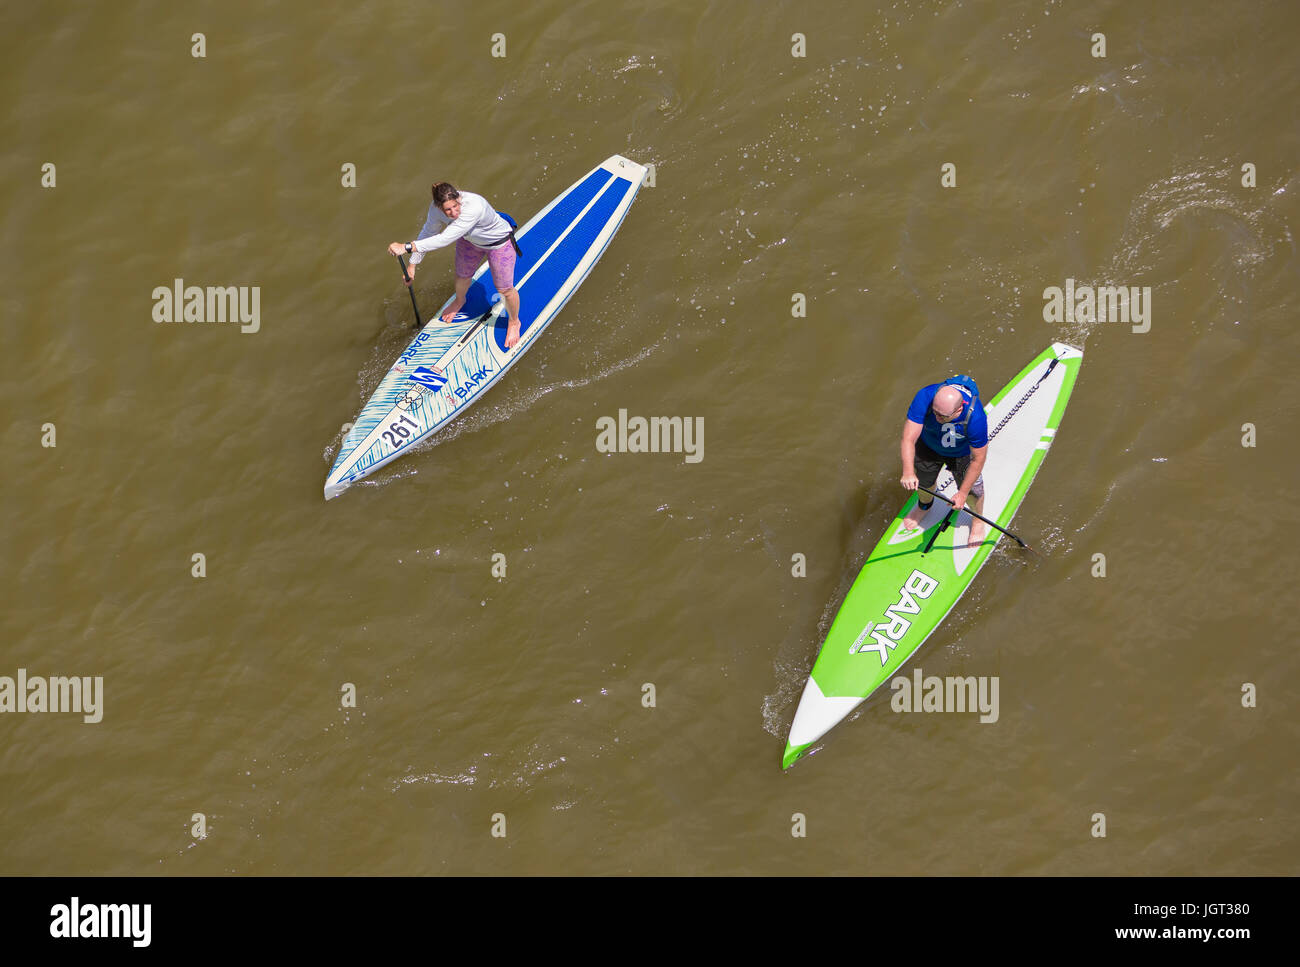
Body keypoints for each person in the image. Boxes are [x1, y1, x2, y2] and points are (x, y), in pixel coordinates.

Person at [388, 182, 524, 348]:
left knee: (504, 290)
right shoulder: (435, 210)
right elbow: (428, 234)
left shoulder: (474, 206)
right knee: (462, 276)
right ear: (439, 207)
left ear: (459, 198)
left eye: (455, 206)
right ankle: (460, 300)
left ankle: (514, 322)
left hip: (498, 243)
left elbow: (444, 239)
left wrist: (406, 247)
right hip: (469, 240)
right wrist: (412, 265)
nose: (453, 212)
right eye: (448, 210)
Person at [898, 375, 989, 547]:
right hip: (928, 445)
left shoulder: (976, 418)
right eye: (935, 412)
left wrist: (961, 493)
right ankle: (924, 506)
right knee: (924, 483)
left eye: (942, 416)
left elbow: (978, 459)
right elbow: (908, 438)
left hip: (960, 453)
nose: (937, 417)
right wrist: (908, 472)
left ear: (958, 410)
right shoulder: (925, 396)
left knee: (973, 492)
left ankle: (978, 521)